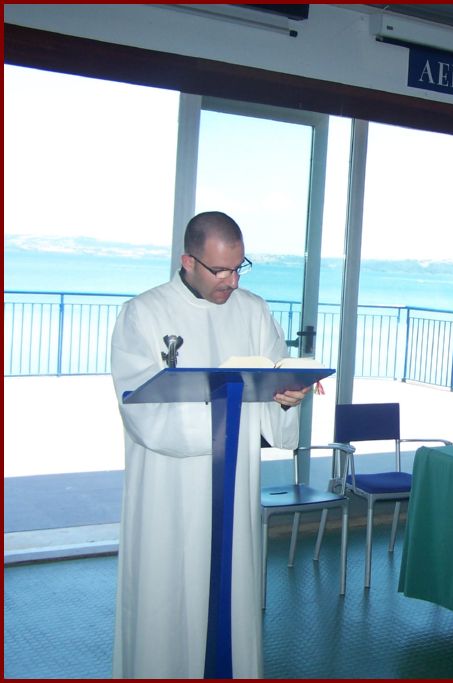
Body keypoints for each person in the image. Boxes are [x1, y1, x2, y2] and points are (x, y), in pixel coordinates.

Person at [110, 211, 310, 678]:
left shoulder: (253, 310)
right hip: (169, 489)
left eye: (240, 267)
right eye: (220, 270)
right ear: (187, 261)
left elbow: (273, 388)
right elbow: (142, 411)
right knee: (166, 598)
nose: (232, 281)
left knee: (231, 597)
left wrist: (285, 400)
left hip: (234, 483)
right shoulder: (143, 313)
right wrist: (224, 414)